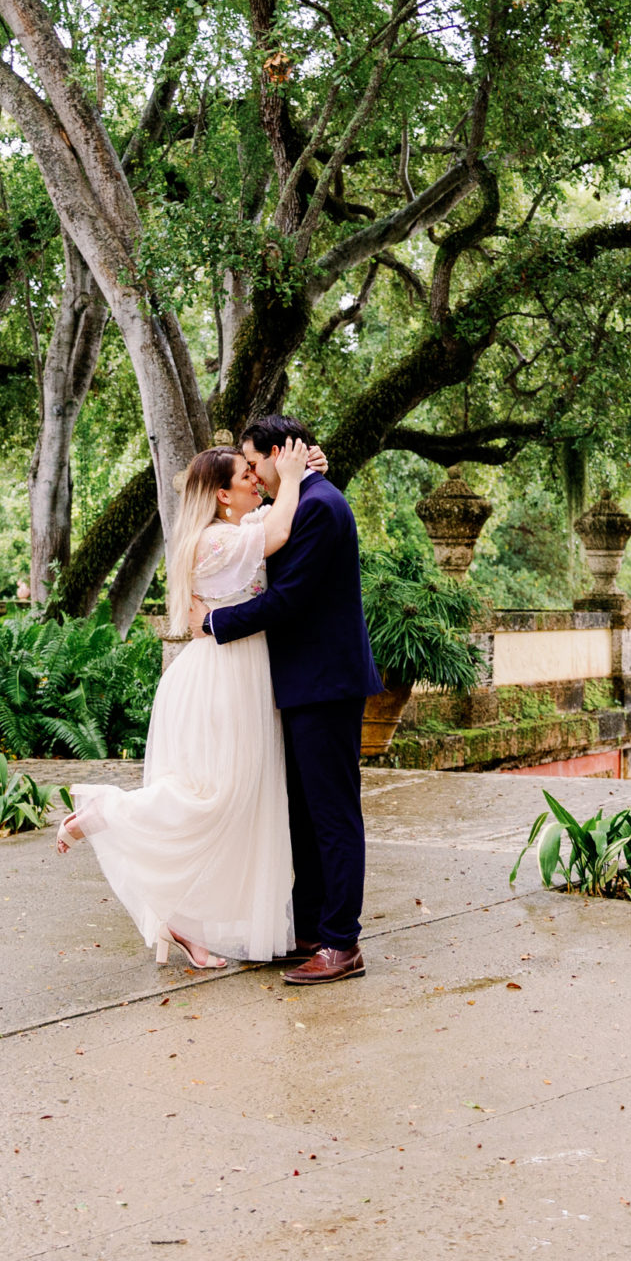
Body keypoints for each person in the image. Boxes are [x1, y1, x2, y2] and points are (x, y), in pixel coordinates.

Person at [55, 438, 316, 968]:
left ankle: (186, 924)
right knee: (212, 796)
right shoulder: (214, 542)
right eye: (247, 477)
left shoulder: (234, 530)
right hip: (221, 678)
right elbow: (282, 527)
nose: (256, 481)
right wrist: (291, 479)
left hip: (242, 672)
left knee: (238, 805)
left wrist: (305, 468)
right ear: (222, 494)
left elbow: (273, 513)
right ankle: (107, 811)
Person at [204, 415, 384, 987]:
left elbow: (287, 600)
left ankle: (341, 942)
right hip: (303, 682)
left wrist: (214, 622)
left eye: (253, 462)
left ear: (280, 453)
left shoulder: (319, 506)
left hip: (327, 682)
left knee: (331, 814)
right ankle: (309, 928)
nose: (251, 475)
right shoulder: (300, 501)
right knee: (304, 814)